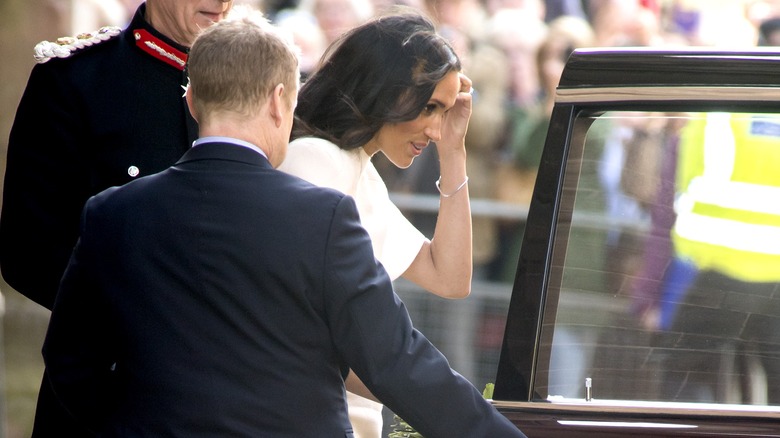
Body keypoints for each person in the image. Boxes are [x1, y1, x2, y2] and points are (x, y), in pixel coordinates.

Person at [41, 10, 528, 437]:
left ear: (191, 103)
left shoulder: (111, 213)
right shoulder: (322, 210)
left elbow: (69, 364)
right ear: (280, 101)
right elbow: (396, 362)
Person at [0, 1, 234, 436]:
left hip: (232, 402)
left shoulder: (256, 81)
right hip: (105, 397)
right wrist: (142, 318)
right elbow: (26, 251)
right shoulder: (75, 80)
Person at [277, 10, 473, 436]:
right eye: (428, 107)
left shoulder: (359, 171)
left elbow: (451, 277)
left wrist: (455, 152)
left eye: (443, 111)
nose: (436, 130)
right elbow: (304, 333)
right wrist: (424, 398)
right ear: (387, 88)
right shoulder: (315, 161)